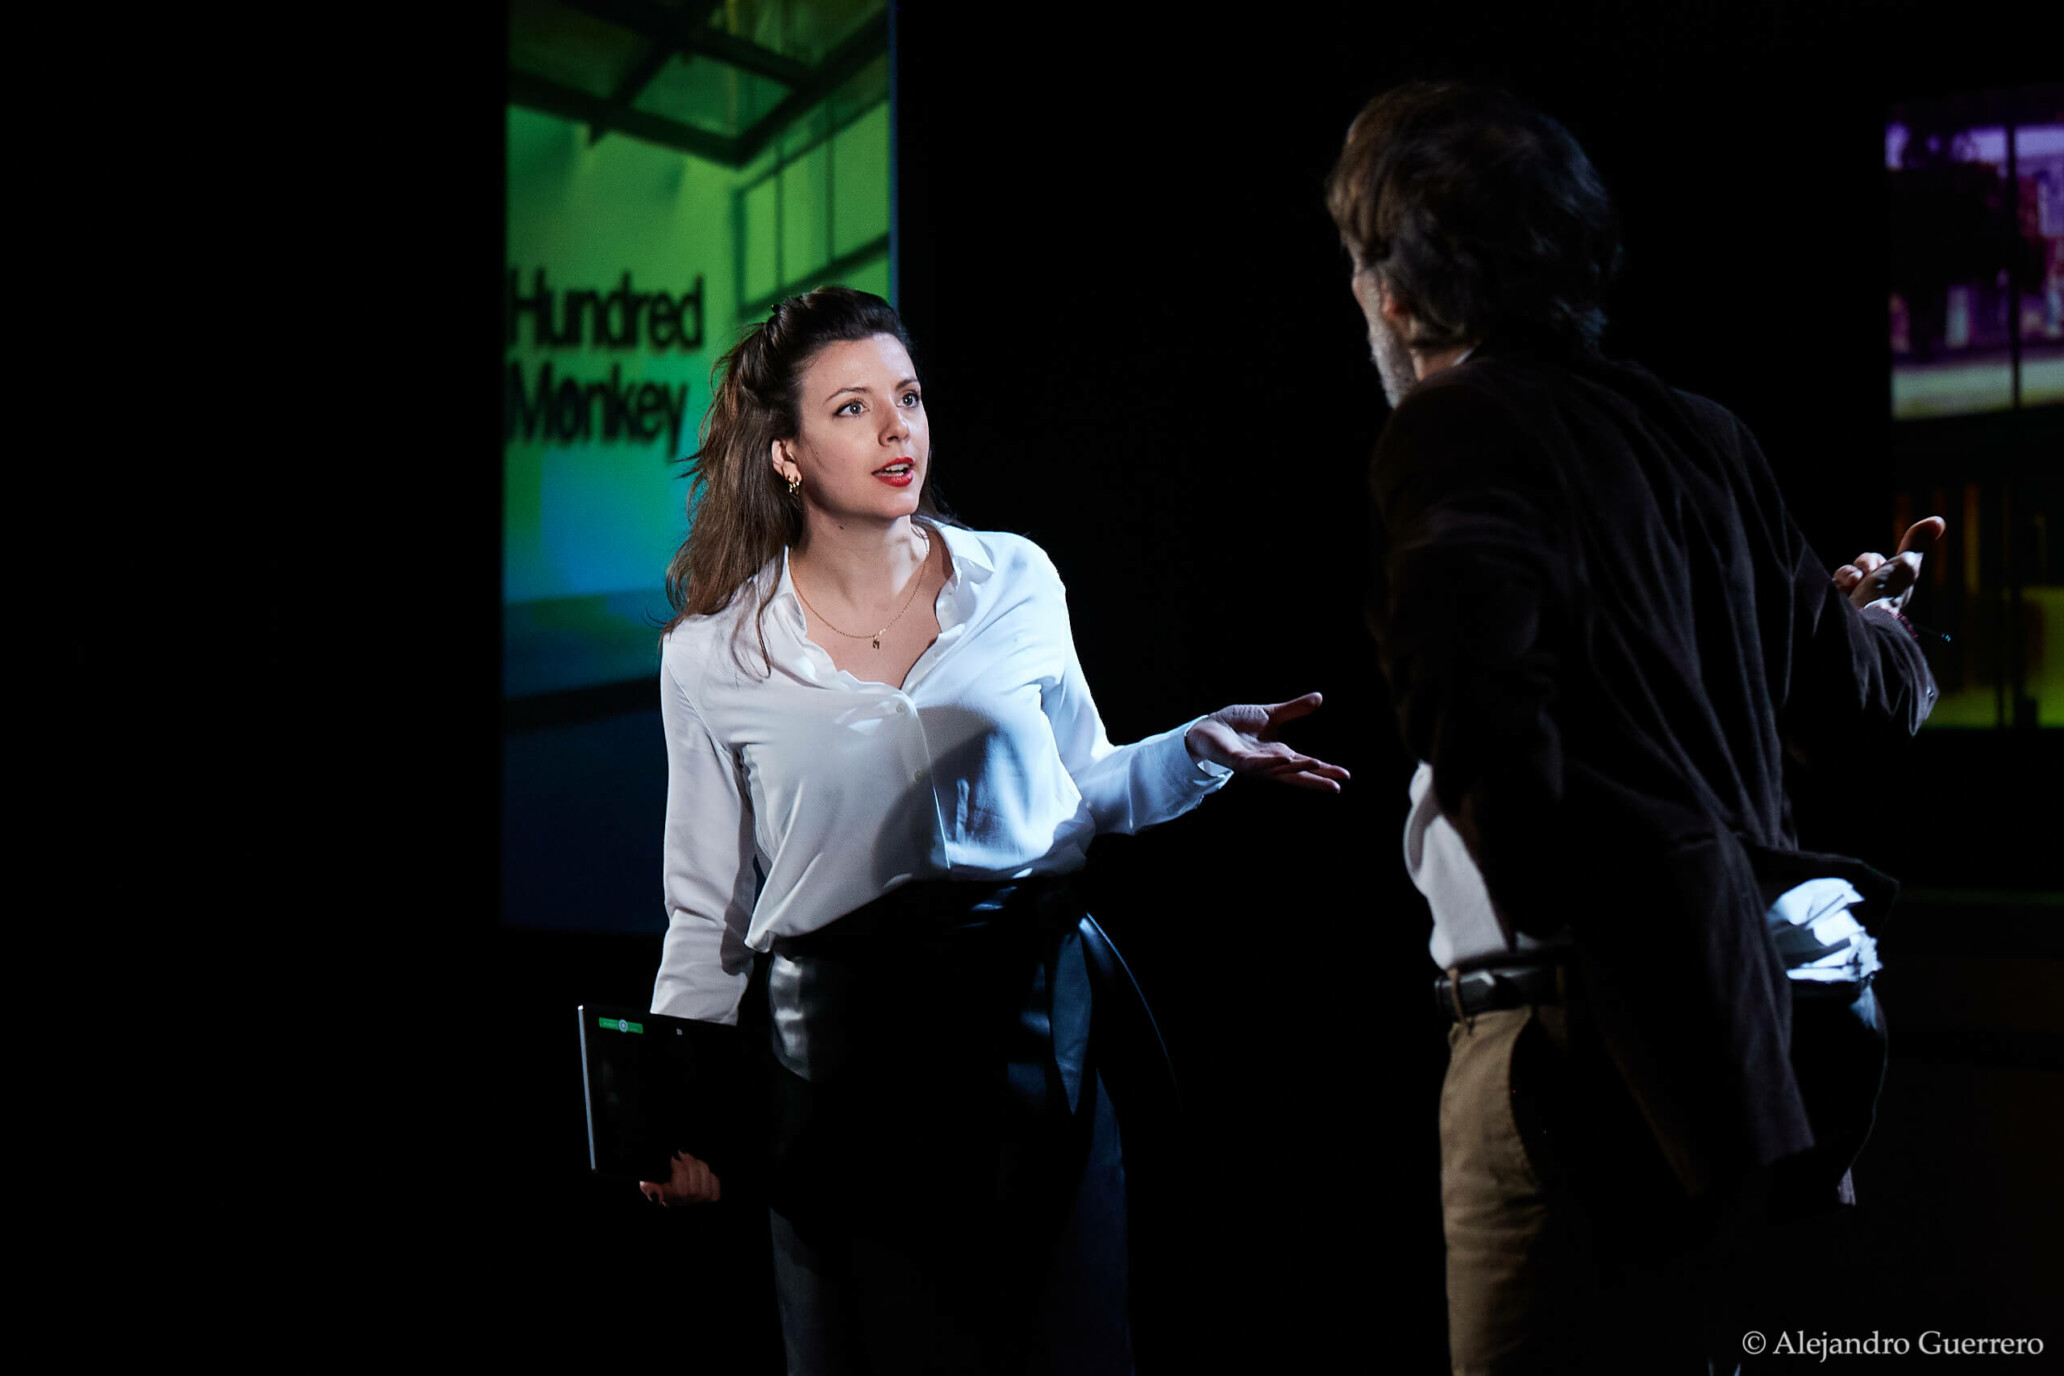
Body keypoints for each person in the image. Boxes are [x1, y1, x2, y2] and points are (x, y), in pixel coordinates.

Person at [1326, 83, 1941, 1373]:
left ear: (1399, 293)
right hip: (1726, 1056)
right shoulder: (1704, 436)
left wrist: (1583, 954)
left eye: (1360, 264)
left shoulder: (1451, 427)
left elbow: (1484, 715)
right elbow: (1859, 697)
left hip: (1569, 1048)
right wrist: (1881, 621)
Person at [635, 286, 1347, 1375]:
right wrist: (675, 1109)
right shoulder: (712, 654)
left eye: (909, 398)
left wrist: (1197, 748)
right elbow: (706, 910)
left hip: (1029, 1033)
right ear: (785, 453)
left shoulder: (1015, 576)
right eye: (853, 408)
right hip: (836, 1067)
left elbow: (1087, 785)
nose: (897, 429)